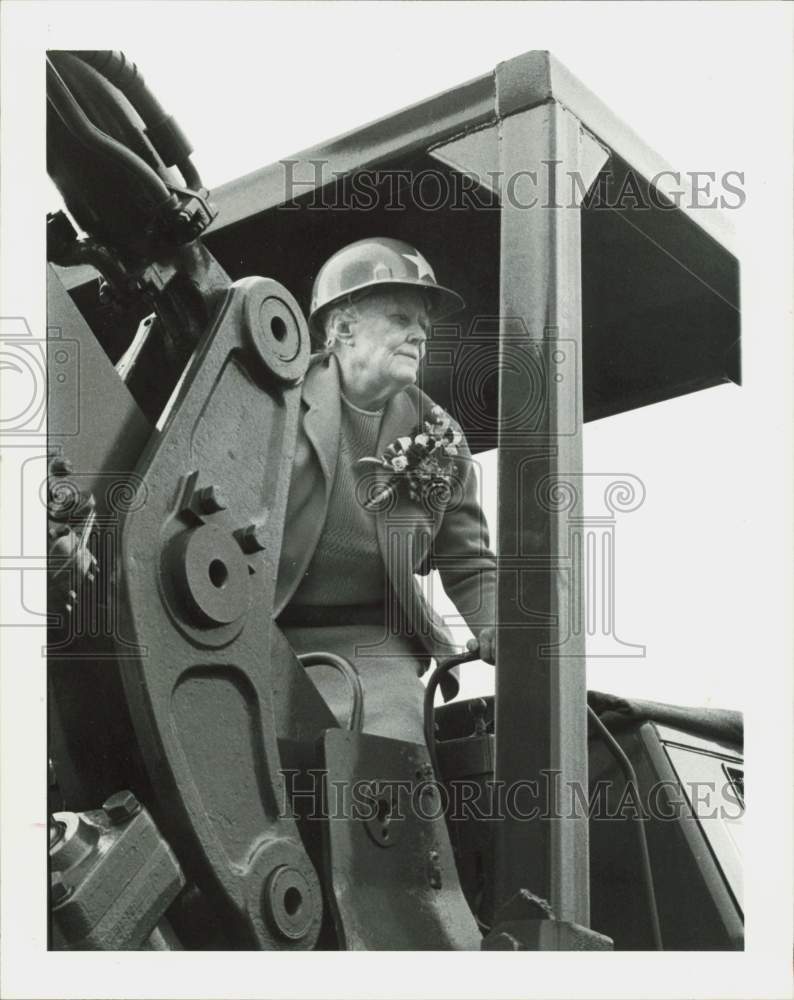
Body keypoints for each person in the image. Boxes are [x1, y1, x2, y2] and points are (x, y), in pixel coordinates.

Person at [274, 237, 496, 743]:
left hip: (371, 644)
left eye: (424, 325)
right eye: (400, 318)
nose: (420, 333)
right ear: (343, 328)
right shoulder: (273, 400)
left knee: (394, 767)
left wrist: (501, 626)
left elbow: (470, 563)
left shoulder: (441, 436)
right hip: (262, 628)